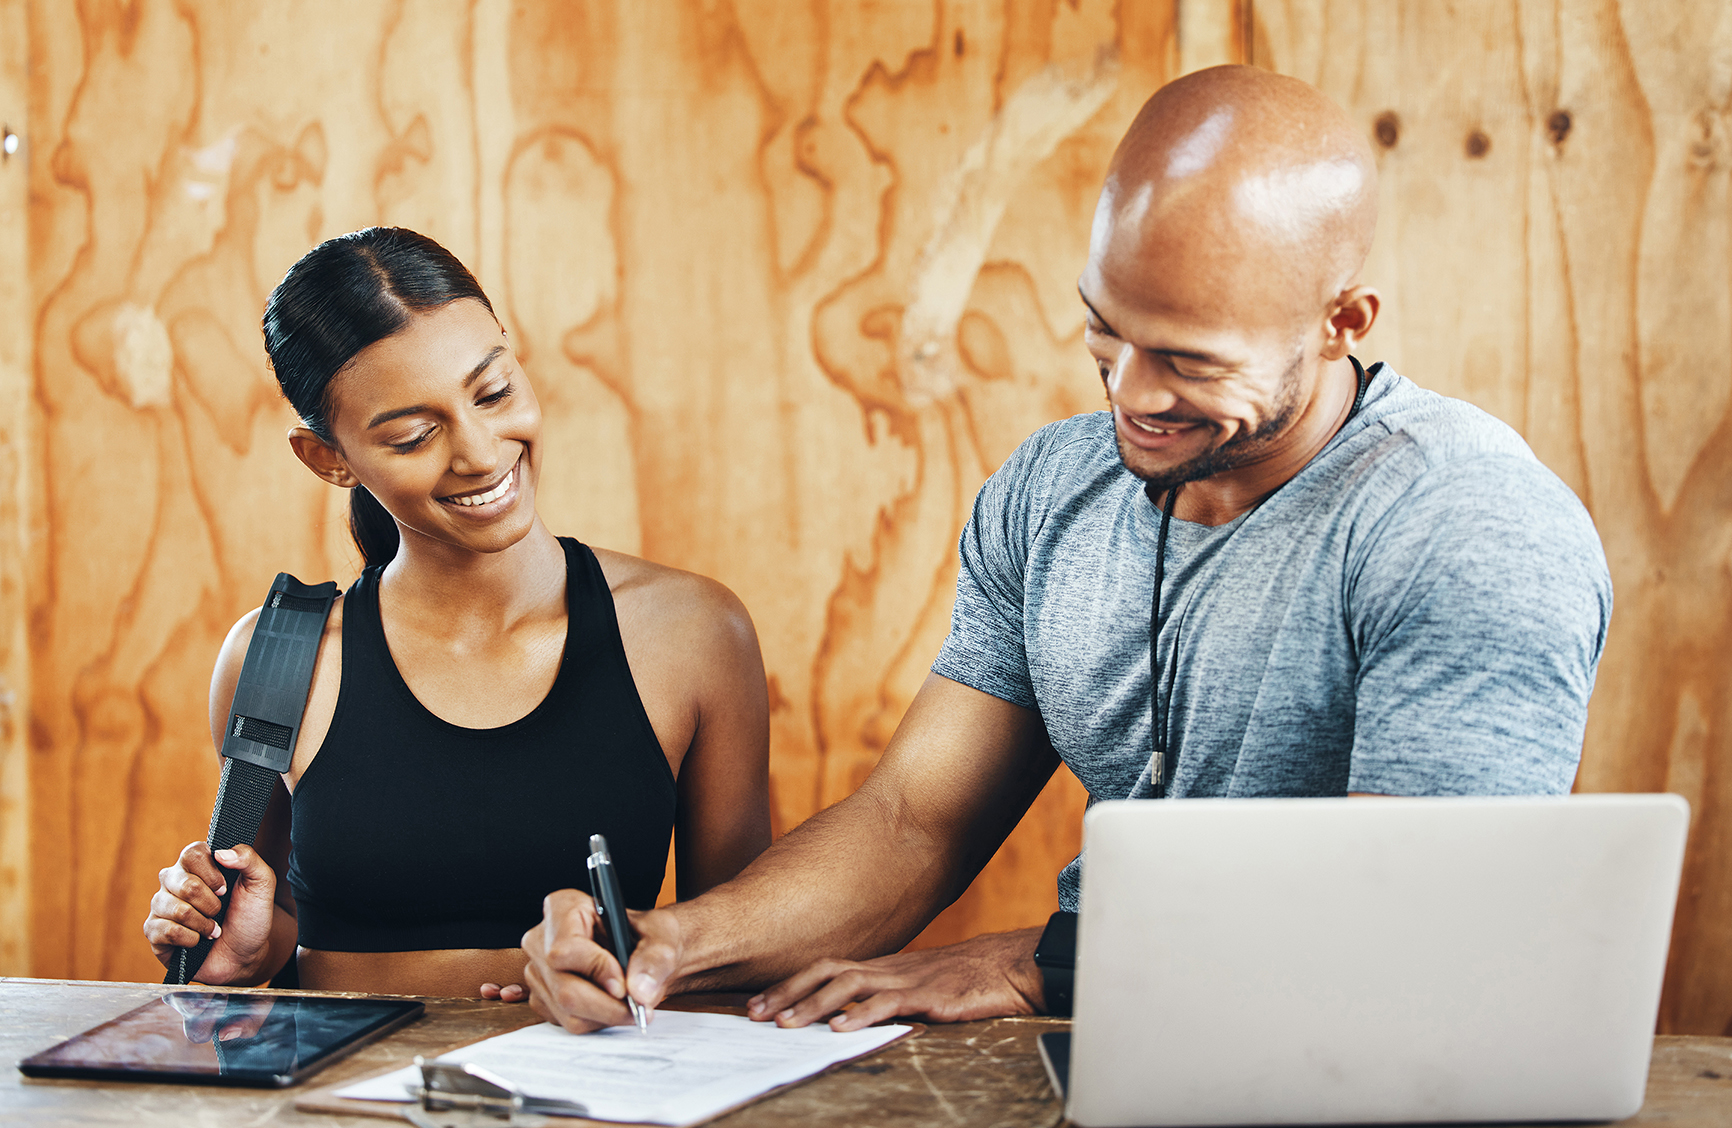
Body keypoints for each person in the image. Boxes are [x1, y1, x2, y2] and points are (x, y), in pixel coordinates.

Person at [521, 64, 1611, 1034]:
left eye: (1185, 358)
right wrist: (674, 944)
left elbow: (1414, 913)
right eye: (1104, 329)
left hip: (1366, 1075)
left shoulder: (1468, 528)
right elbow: (913, 820)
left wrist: (1046, 966)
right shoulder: (1054, 490)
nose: (1129, 396)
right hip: (1128, 1043)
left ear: (1342, 320)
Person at [143, 227, 772, 1000]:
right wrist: (239, 953)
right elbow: (268, 927)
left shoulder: (695, 633)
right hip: (340, 1109)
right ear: (329, 459)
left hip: (593, 1105)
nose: (479, 452)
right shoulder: (276, 657)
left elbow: (745, 947)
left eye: (494, 391)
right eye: (413, 435)